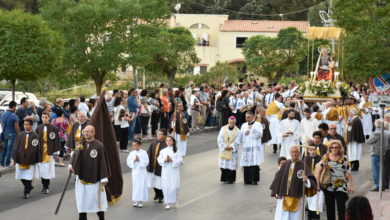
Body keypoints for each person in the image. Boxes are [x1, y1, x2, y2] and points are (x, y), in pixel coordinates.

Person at [68, 125, 109, 220]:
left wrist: (104, 177)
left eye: (88, 131)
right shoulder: (80, 144)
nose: (85, 133)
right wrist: (71, 165)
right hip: (81, 179)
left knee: (97, 201)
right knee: (82, 203)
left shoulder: (99, 146)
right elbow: (74, 156)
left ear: (93, 133)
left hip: (95, 179)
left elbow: (103, 162)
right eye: (84, 131)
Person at [270, 146, 317, 220]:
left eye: (296, 152)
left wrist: (306, 180)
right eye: (293, 152)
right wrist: (276, 192)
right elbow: (278, 179)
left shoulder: (303, 165)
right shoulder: (286, 164)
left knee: (296, 217)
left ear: (299, 153)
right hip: (283, 196)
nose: (294, 154)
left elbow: (311, 179)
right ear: (290, 153)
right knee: (283, 217)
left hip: (297, 196)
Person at [316, 140, 354, 220]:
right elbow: (318, 171)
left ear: (339, 148)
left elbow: (348, 173)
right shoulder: (325, 157)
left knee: (341, 208)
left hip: (341, 186)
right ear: (329, 148)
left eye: (336, 147)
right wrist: (318, 184)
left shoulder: (345, 158)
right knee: (330, 209)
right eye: (332, 147)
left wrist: (351, 186)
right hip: (328, 185)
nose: (334, 149)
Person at [12, 119, 41, 199]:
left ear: (31, 125)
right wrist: (14, 158)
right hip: (20, 158)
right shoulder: (20, 135)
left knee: (28, 176)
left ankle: (26, 192)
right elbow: (16, 147)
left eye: (27, 124)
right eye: (24, 124)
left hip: (30, 159)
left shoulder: (35, 136)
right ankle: (29, 187)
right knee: (21, 176)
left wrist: (36, 158)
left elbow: (37, 148)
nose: (26, 126)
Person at [36, 112, 61, 194]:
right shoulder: (38, 128)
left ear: (49, 118)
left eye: (46, 117)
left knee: (48, 170)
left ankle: (46, 186)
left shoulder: (53, 128)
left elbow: (56, 141)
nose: (44, 119)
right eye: (43, 117)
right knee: (42, 169)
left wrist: (55, 152)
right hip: (41, 152)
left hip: (49, 151)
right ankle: (44, 185)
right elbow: (36, 141)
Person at [157, 136, 183, 210]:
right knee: (166, 186)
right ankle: (168, 202)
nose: (168, 142)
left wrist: (172, 160)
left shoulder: (177, 150)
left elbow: (181, 161)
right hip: (166, 171)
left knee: (175, 186)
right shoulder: (163, 151)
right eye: (167, 140)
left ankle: (175, 200)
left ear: (173, 141)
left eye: (170, 140)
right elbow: (159, 160)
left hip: (174, 171)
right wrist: (164, 160)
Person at [238, 111, 263, 185]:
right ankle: (247, 180)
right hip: (246, 147)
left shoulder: (258, 124)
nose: (247, 118)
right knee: (246, 163)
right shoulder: (243, 125)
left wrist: (252, 129)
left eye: (248, 117)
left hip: (255, 146)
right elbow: (240, 136)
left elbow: (260, 135)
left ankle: (255, 180)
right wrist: (244, 134)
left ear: (252, 117)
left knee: (254, 163)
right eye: (246, 117)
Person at [366, 119, 388, 191]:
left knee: (376, 171)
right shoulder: (384, 132)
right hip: (382, 152)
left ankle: (378, 186)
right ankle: (383, 185)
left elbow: (368, 141)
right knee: (382, 170)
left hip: (376, 153)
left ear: (375, 124)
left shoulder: (377, 133)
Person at [217, 116, 240, 184]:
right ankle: (224, 179)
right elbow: (219, 139)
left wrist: (231, 147)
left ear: (235, 123)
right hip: (224, 149)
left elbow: (238, 141)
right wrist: (224, 146)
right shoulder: (223, 129)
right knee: (224, 165)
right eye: (230, 123)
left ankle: (231, 179)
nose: (231, 125)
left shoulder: (238, 131)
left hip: (231, 151)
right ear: (228, 122)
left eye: (233, 123)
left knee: (231, 166)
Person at [146, 129, 167, 203]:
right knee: (153, 180)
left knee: (160, 182)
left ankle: (161, 195)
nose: (158, 135)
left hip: (161, 167)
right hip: (153, 165)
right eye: (157, 134)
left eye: (160, 134)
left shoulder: (166, 144)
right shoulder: (154, 143)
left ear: (164, 135)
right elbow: (148, 153)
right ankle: (157, 193)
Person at [127, 139, 149, 208]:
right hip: (135, 172)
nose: (133, 146)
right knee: (136, 186)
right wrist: (134, 160)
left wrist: (139, 160)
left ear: (139, 145)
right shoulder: (132, 153)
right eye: (133, 145)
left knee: (141, 186)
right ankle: (136, 200)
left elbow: (146, 162)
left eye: (135, 145)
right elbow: (128, 161)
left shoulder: (144, 153)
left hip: (142, 172)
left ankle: (140, 201)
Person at [304, 145, 323, 220]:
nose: (312, 151)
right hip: (309, 182)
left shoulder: (320, 158)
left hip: (318, 181)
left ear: (316, 150)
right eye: (310, 150)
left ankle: (316, 216)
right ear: (308, 150)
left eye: (314, 149)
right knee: (310, 200)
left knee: (317, 201)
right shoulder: (305, 159)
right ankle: (310, 215)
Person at [0, 101, 19, 167]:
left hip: (5, 134)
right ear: (14, 106)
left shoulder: (3, 114)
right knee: (10, 150)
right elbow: (16, 127)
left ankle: (2, 162)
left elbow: (1, 124)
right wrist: (18, 134)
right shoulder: (14, 116)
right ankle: (7, 163)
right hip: (12, 134)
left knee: (4, 149)